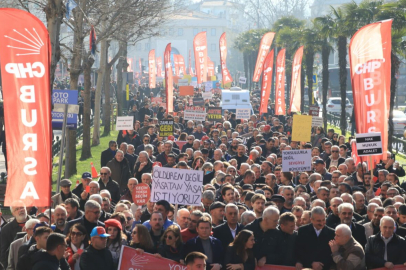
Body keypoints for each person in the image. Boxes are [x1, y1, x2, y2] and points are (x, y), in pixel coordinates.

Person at [1, 203, 30, 268]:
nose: (20, 210)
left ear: (26, 209)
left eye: (22, 207)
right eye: (17, 209)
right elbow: (3, 254)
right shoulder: (6, 229)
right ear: (13, 214)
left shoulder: (36, 222)